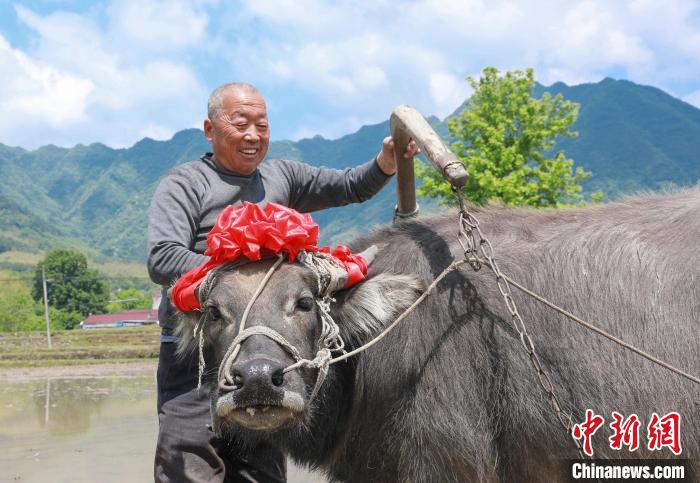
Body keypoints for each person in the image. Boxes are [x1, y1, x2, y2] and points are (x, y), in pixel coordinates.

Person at [147, 82, 418, 482]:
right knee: (190, 462)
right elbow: (163, 256)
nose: (253, 135)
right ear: (209, 130)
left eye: (262, 124)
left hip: (269, 348)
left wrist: (384, 163)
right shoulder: (186, 184)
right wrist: (237, 275)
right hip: (199, 350)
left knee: (261, 467)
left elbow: (347, 186)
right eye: (241, 123)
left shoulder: (282, 176)